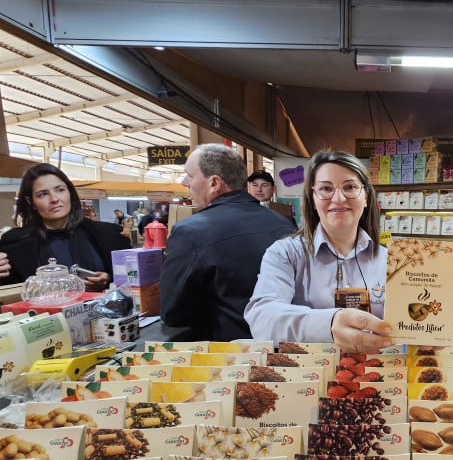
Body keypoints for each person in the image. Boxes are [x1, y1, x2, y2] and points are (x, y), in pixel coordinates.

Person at [245, 150, 392, 353]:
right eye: (325, 188)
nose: (339, 199)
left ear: (366, 197)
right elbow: (262, 318)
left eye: (350, 187)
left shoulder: (391, 260)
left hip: (376, 376)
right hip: (308, 379)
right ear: (312, 199)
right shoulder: (285, 254)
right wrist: (329, 324)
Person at [160, 143, 295, 341]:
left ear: (214, 183)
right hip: (285, 346)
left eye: (190, 175)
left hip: (231, 355)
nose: (184, 182)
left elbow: (173, 313)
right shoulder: (284, 224)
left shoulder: (191, 232)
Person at [0, 163, 130, 291]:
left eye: (60, 190)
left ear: (70, 193)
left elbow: (133, 278)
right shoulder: (14, 246)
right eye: (43, 194)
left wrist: (109, 279)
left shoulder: (108, 235)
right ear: (31, 202)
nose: (54, 199)